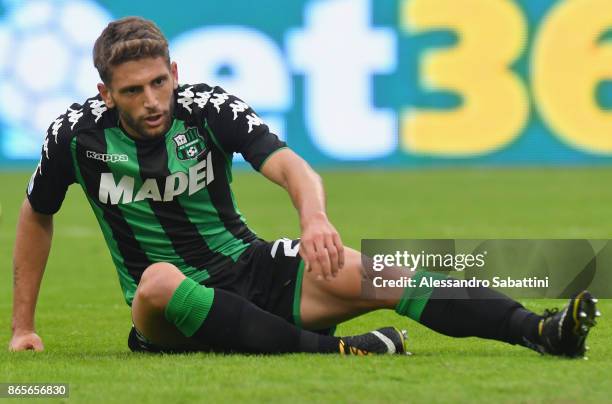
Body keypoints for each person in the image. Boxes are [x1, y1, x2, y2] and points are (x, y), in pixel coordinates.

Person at [9, 17, 599, 357]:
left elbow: (291, 166)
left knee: (384, 270)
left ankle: (541, 331)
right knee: (161, 279)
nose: (153, 100)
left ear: (175, 74)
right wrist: (23, 328)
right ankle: (340, 352)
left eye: (160, 83)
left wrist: (313, 217)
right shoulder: (73, 137)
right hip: (163, 313)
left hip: (251, 269)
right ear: (107, 94)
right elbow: (37, 213)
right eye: (134, 91)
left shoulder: (208, 108)